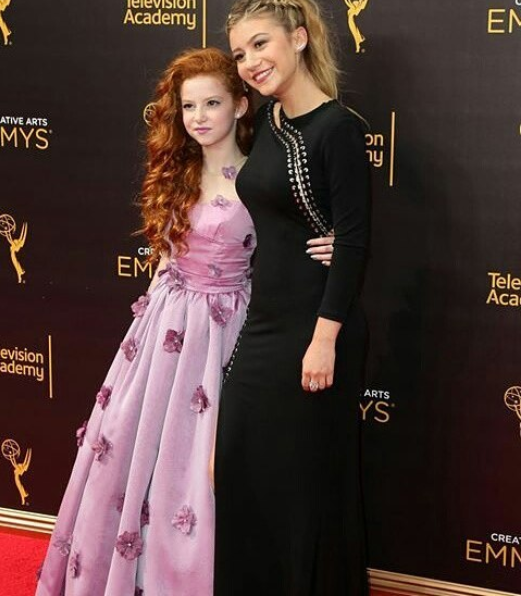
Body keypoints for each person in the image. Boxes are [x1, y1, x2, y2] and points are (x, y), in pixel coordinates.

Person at [36, 47, 331, 596]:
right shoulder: (177, 169)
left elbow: (294, 247)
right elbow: (167, 254)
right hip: (161, 325)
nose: (198, 117)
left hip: (227, 329)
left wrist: (332, 246)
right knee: (130, 445)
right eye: (189, 106)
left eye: (212, 103)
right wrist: (149, 320)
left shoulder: (261, 179)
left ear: (240, 105)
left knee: (203, 462)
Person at [213, 1, 371, 595]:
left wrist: (324, 339)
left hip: (316, 328)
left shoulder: (339, 128)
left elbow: (355, 240)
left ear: (299, 38)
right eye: (240, 53)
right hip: (264, 325)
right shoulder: (267, 121)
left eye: (261, 44)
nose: (250, 62)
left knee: (306, 487)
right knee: (243, 468)